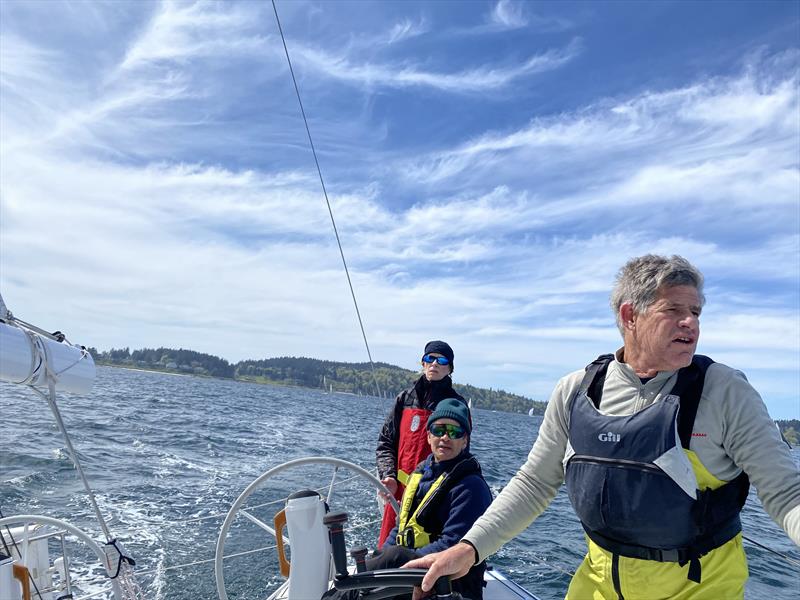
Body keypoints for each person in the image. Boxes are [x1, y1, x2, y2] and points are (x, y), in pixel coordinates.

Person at [408, 255, 800, 600]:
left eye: (696, 312)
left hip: (700, 589)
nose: (690, 323)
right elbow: (534, 483)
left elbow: (786, 491)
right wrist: (470, 547)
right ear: (630, 316)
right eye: (674, 310)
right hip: (597, 586)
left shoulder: (725, 392)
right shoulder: (576, 390)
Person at [325, 399, 492, 600]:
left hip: (451, 583)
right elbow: (400, 528)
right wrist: (383, 561)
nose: (445, 437)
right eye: (439, 430)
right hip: (412, 574)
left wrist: (396, 565)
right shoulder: (421, 474)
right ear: (429, 436)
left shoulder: (471, 487)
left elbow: (453, 546)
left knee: (391, 558)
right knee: (381, 561)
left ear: (464, 441)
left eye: (455, 432)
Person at [376, 340, 468, 547]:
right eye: (430, 358)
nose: (434, 363)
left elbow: (460, 453)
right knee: (388, 551)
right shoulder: (404, 399)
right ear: (423, 363)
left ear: (450, 368)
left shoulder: (456, 406)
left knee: (421, 555)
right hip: (399, 493)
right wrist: (388, 475)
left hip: (432, 496)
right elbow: (386, 442)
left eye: (441, 360)